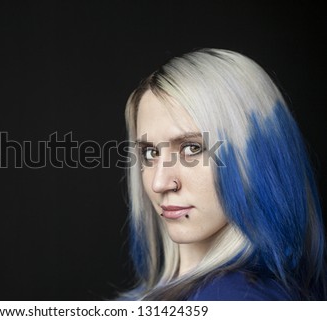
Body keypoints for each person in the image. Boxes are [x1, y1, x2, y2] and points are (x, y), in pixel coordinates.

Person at [120, 48, 326, 300]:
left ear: (254, 157)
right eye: (150, 153)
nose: (159, 183)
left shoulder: (238, 299)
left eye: (192, 148)